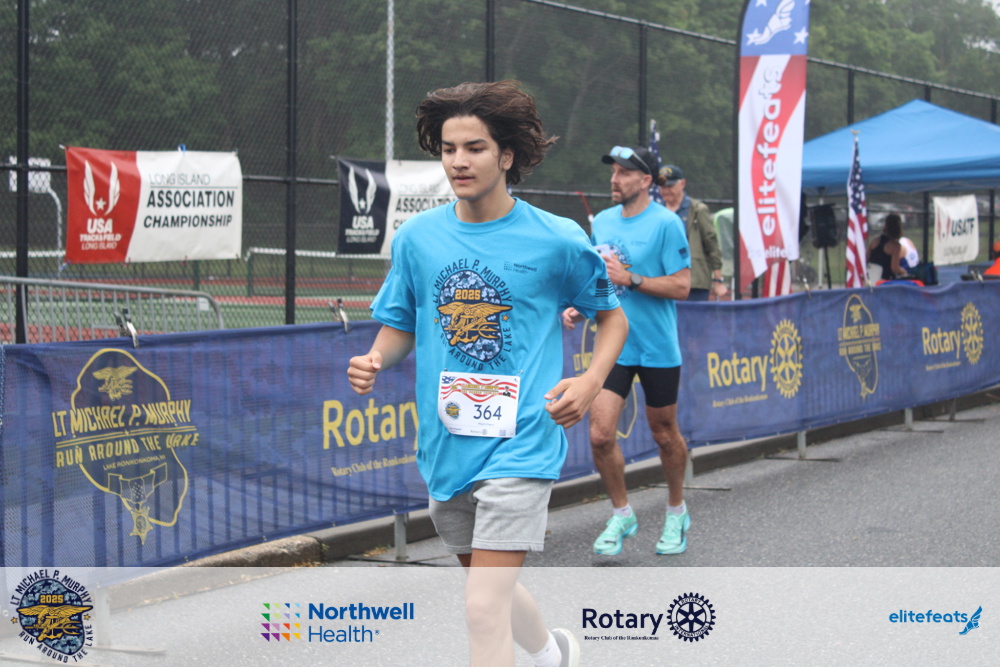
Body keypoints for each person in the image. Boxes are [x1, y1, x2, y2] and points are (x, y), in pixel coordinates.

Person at [348, 80, 627, 667]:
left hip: (523, 441)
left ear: (506, 156)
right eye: (449, 149)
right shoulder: (417, 239)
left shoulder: (556, 239)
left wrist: (590, 381)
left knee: (480, 608)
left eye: (474, 148)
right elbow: (401, 323)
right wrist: (375, 358)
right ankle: (553, 654)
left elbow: (613, 319)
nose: (458, 161)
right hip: (447, 443)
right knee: (487, 588)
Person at [561, 145, 692, 557]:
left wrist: (631, 278)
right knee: (600, 435)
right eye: (613, 172)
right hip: (613, 346)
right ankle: (622, 513)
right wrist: (580, 307)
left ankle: (676, 511)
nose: (614, 179)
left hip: (656, 345)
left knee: (664, 434)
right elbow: (600, 282)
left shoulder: (667, 223)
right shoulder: (601, 221)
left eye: (623, 173)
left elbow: (682, 286)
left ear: (646, 181)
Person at [658, 164, 727, 301]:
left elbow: (711, 244)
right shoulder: (657, 212)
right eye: (662, 187)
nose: (666, 191)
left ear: (682, 184)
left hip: (694, 282)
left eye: (670, 186)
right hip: (664, 281)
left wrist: (717, 279)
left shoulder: (697, 210)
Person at [867, 213, 909, 280]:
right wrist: (904, 272)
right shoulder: (895, 246)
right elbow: (894, 268)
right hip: (886, 281)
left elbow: (867, 257)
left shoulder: (875, 240)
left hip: (871, 278)